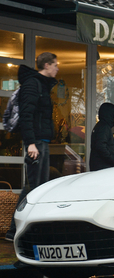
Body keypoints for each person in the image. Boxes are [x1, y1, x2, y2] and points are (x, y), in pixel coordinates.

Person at [6, 52, 59, 242]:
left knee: (38, 187)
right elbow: (26, 116)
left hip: (41, 142)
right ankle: (15, 231)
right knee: (32, 188)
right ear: (46, 65)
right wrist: (30, 143)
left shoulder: (42, 86)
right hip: (35, 143)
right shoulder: (32, 85)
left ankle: (27, 229)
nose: (57, 68)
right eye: (55, 65)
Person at [89, 102, 114, 171]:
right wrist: (111, 159)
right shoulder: (104, 128)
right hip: (103, 166)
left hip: (99, 165)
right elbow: (100, 146)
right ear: (110, 115)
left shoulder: (100, 126)